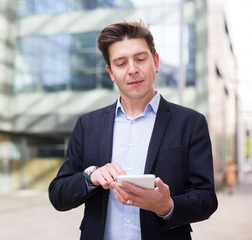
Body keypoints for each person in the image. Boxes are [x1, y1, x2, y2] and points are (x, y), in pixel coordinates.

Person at [49, 20, 218, 240]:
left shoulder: (190, 123)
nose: (133, 70)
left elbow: (206, 199)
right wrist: (90, 177)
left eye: (140, 59)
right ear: (110, 72)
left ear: (155, 61)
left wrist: (166, 206)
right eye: (121, 63)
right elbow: (58, 194)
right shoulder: (87, 125)